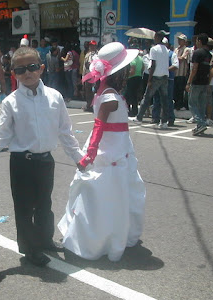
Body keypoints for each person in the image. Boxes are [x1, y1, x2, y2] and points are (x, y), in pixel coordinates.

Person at [0, 47, 84, 267]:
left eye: (31, 67)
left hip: (46, 160)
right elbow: (1, 135)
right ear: (14, 74)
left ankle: (45, 239)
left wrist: (78, 157)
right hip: (22, 162)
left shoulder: (54, 97)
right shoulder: (11, 102)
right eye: (20, 69)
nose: (27, 73)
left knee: (44, 203)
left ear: (41, 68)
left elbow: (65, 131)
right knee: (24, 208)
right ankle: (29, 249)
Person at [59, 42, 146, 262]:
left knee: (119, 193)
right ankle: (104, 237)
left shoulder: (106, 93)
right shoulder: (109, 97)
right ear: (118, 73)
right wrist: (89, 156)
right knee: (110, 196)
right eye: (126, 70)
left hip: (119, 147)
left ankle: (116, 232)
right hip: (111, 151)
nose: (129, 73)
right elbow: (98, 128)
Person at [131, 31, 170, 128]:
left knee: (147, 97)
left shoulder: (154, 49)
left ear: (157, 37)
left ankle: (139, 118)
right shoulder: (166, 49)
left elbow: (153, 65)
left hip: (156, 76)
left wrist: (149, 79)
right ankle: (164, 121)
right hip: (165, 76)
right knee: (164, 100)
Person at [185, 33, 212, 136]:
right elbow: (210, 70)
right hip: (205, 82)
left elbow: (194, 69)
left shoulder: (197, 53)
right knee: (201, 105)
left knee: (192, 104)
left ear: (199, 41)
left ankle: (200, 123)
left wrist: (188, 82)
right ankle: (200, 125)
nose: (196, 42)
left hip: (196, 82)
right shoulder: (209, 55)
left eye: (197, 41)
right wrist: (208, 82)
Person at [152, 38, 178, 126]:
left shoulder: (171, 54)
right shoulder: (156, 53)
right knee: (156, 99)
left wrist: (164, 70)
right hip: (157, 78)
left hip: (168, 80)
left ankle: (170, 118)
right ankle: (155, 117)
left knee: (168, 99)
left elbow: (175, 65)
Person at [124, 42, 143, 117]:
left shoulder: (132, 60)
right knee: (134, 95)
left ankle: (130, 110)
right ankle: (134, 110)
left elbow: (132, 71)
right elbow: (142, 68)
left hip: (132, 78)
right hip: (138, 77)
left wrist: (126, 77)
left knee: (129, 95)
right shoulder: (140, 59)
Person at [174, 34, 190, 110]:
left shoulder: (186, 49)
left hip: (182, 73)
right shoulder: (176, 49)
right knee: (175, 90)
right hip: (175, 73)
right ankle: (176, 104)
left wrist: (177, 59)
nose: (179, 41)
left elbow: (182, 58)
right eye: (178, 40)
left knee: (181, 90)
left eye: (181, 40)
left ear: (184, 41)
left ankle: (180, 105)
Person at [82, 40, 98, 111]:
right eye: (91, 45)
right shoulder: (87, 54)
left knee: (95, 90)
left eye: (93, 45)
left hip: (95, 75)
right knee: (88, 91)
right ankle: (89, 105)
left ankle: (94, 105)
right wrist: (83, 76)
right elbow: (84, 66)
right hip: (88, 74)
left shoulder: (98, 54)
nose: (92, 47)